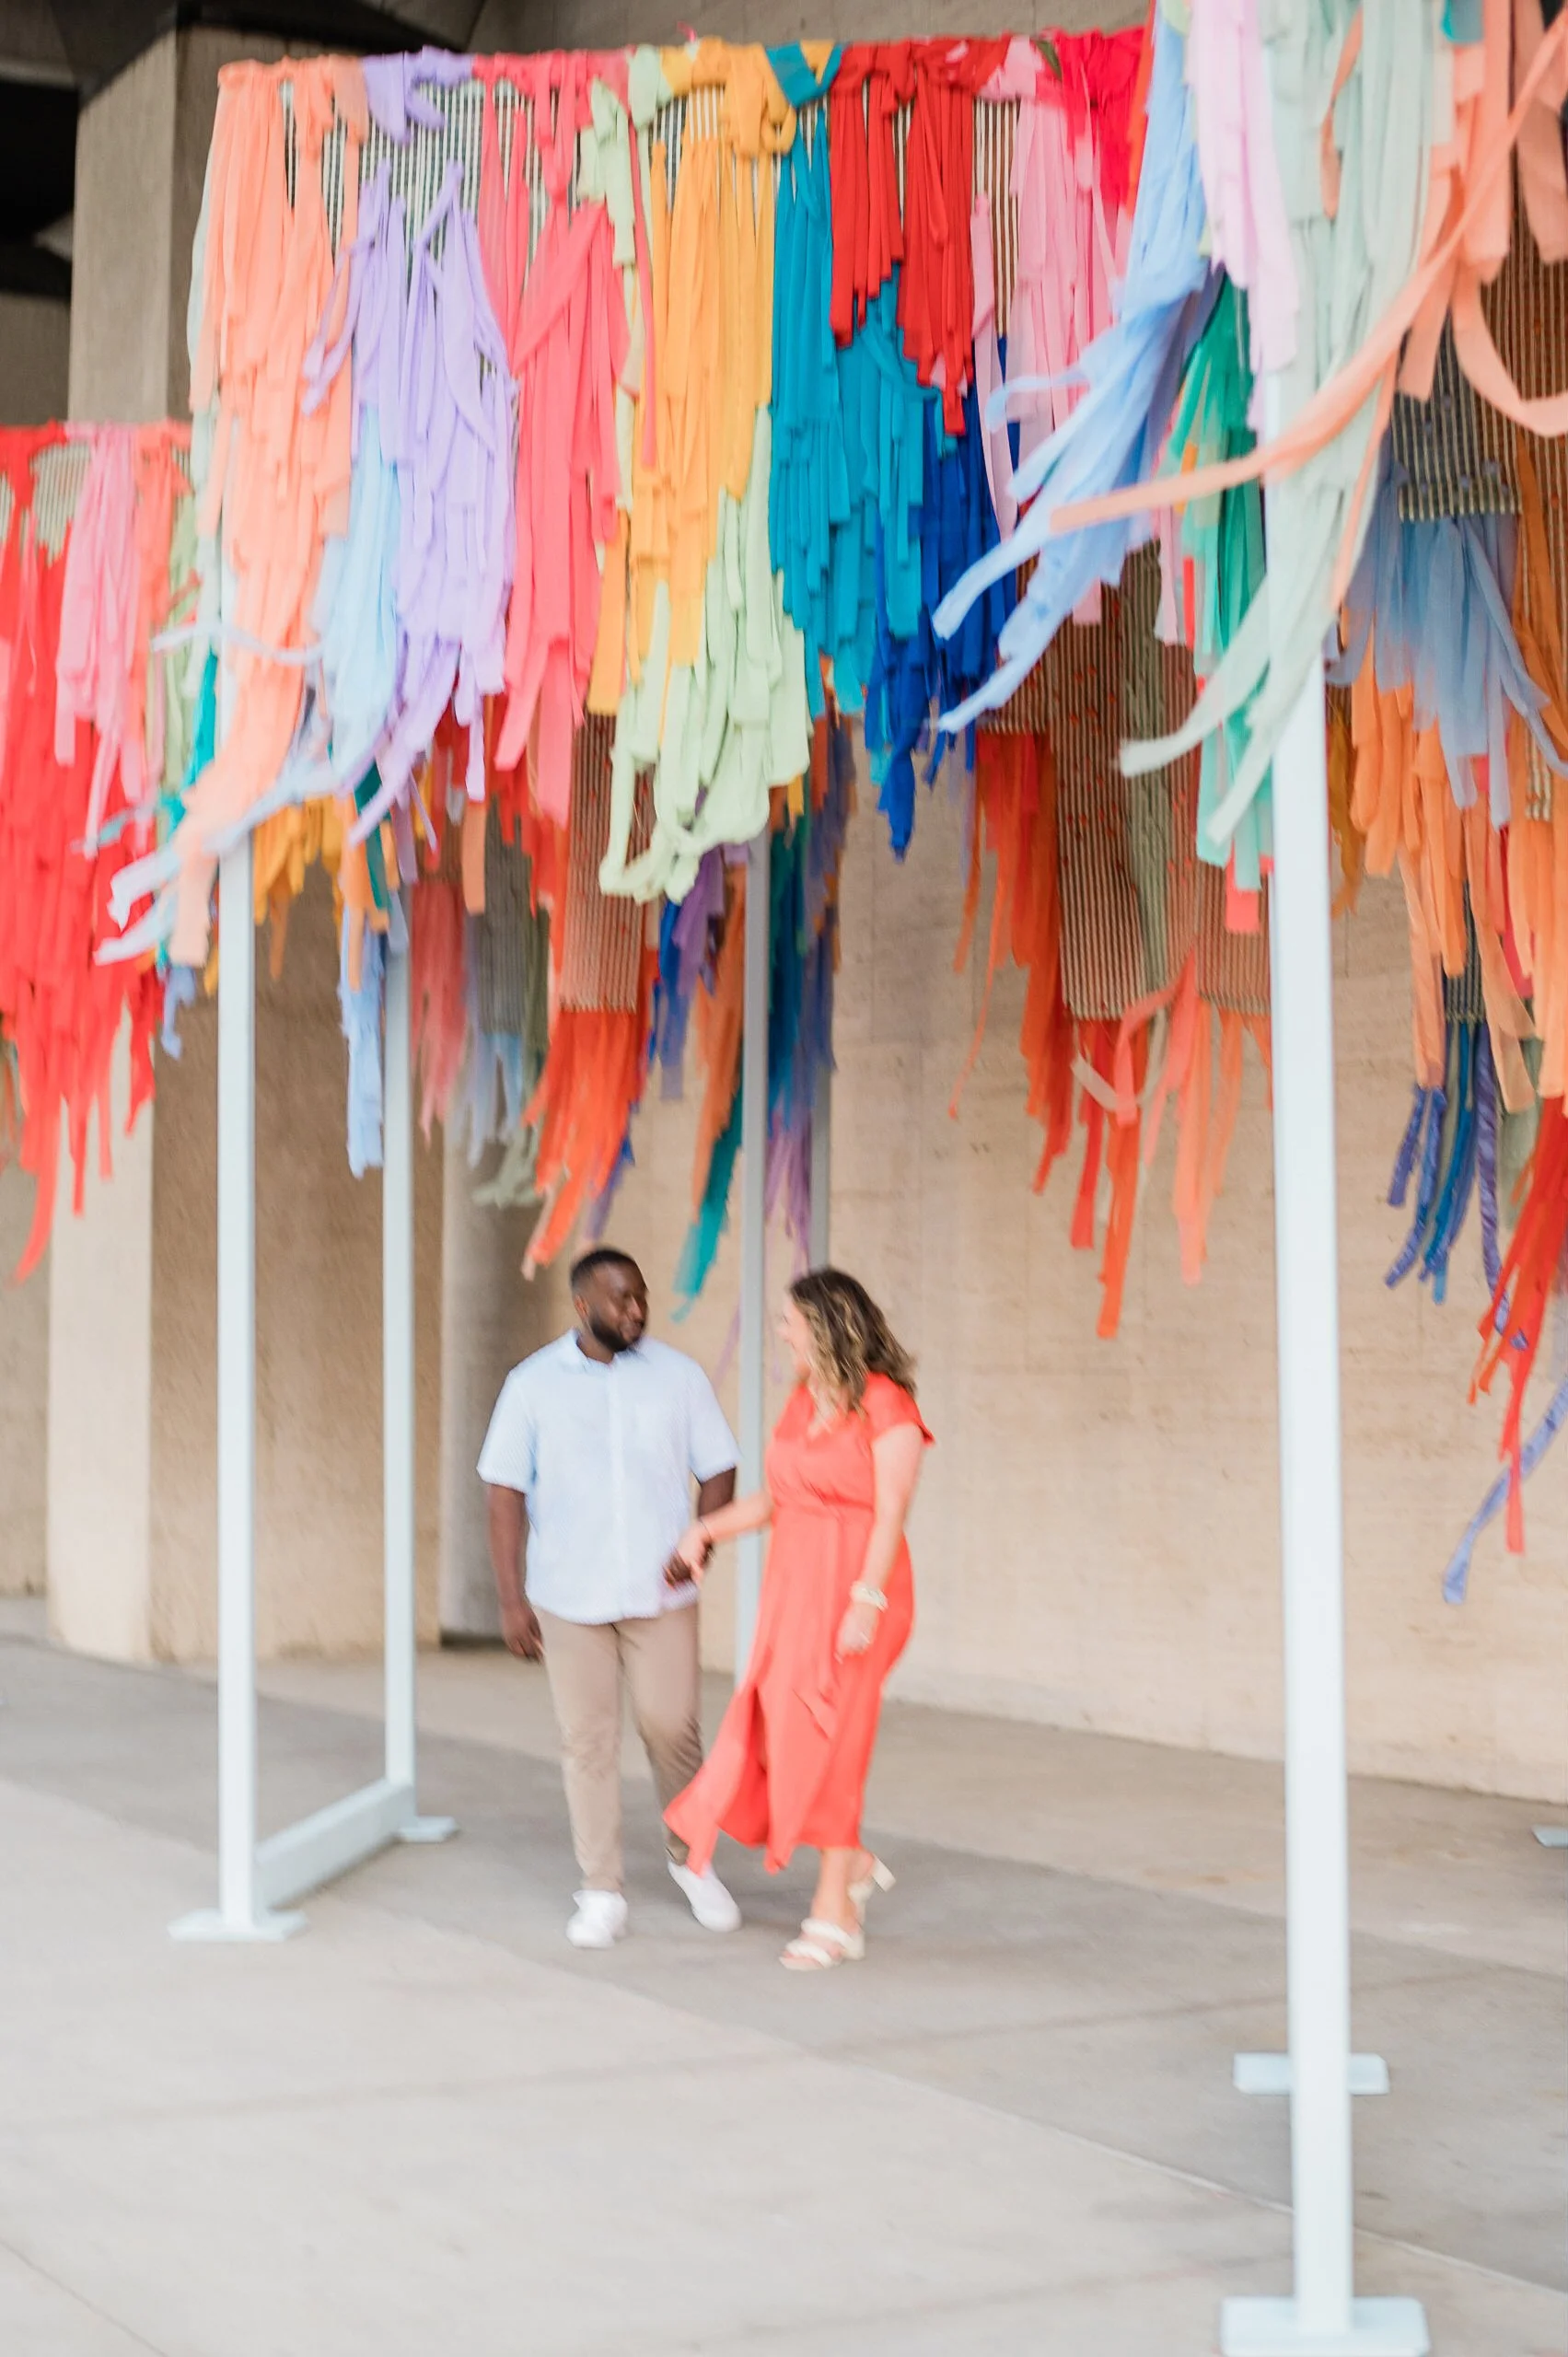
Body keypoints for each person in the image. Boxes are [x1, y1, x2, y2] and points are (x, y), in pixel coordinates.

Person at [664, 1269, 932, 1970]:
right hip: (794, 1592)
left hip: (857, 1593)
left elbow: (889, 1514)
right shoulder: (801, 1399)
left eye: (788, 1322)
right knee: (784, 1734)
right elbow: (779, 1500)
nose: (781, 1333)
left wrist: (864, 1605)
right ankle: (855, 1863)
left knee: (833, 1742)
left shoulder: (887, 1406)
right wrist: (706, 1531)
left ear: (823, 1327)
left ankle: (833, 1914)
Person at [479, 1247, 742, 1950]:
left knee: (671, 1728)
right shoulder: (532, 1385)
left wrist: (701, 1541)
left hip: (660, 1595)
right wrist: (510, 1599)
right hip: (569, 1595)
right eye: (620, 1299)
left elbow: (719, 1464)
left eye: (640, 1297)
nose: (635, 1311)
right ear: (582, 1307)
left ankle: (695, 1862)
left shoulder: (677, 1377)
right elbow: (503, 1491)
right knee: (586, 1741)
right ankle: (600, 1889)